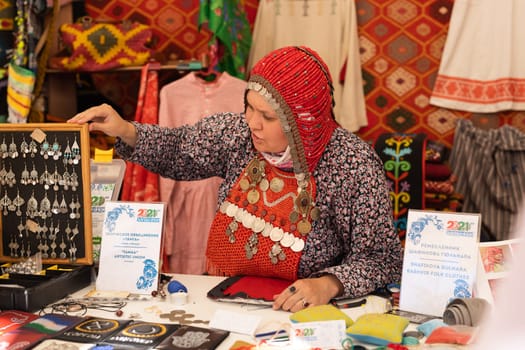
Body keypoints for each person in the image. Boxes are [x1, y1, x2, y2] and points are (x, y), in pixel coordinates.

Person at [68, 46, 403, 312]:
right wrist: (125, 129)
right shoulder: (236, 134)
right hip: (234, 300)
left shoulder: (351, 163)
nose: (252, 123)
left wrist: (329, 283)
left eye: (268, 116)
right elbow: (178, 149)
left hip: (311, 312)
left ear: (303, 121)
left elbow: (381, 257)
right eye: (249, 107)